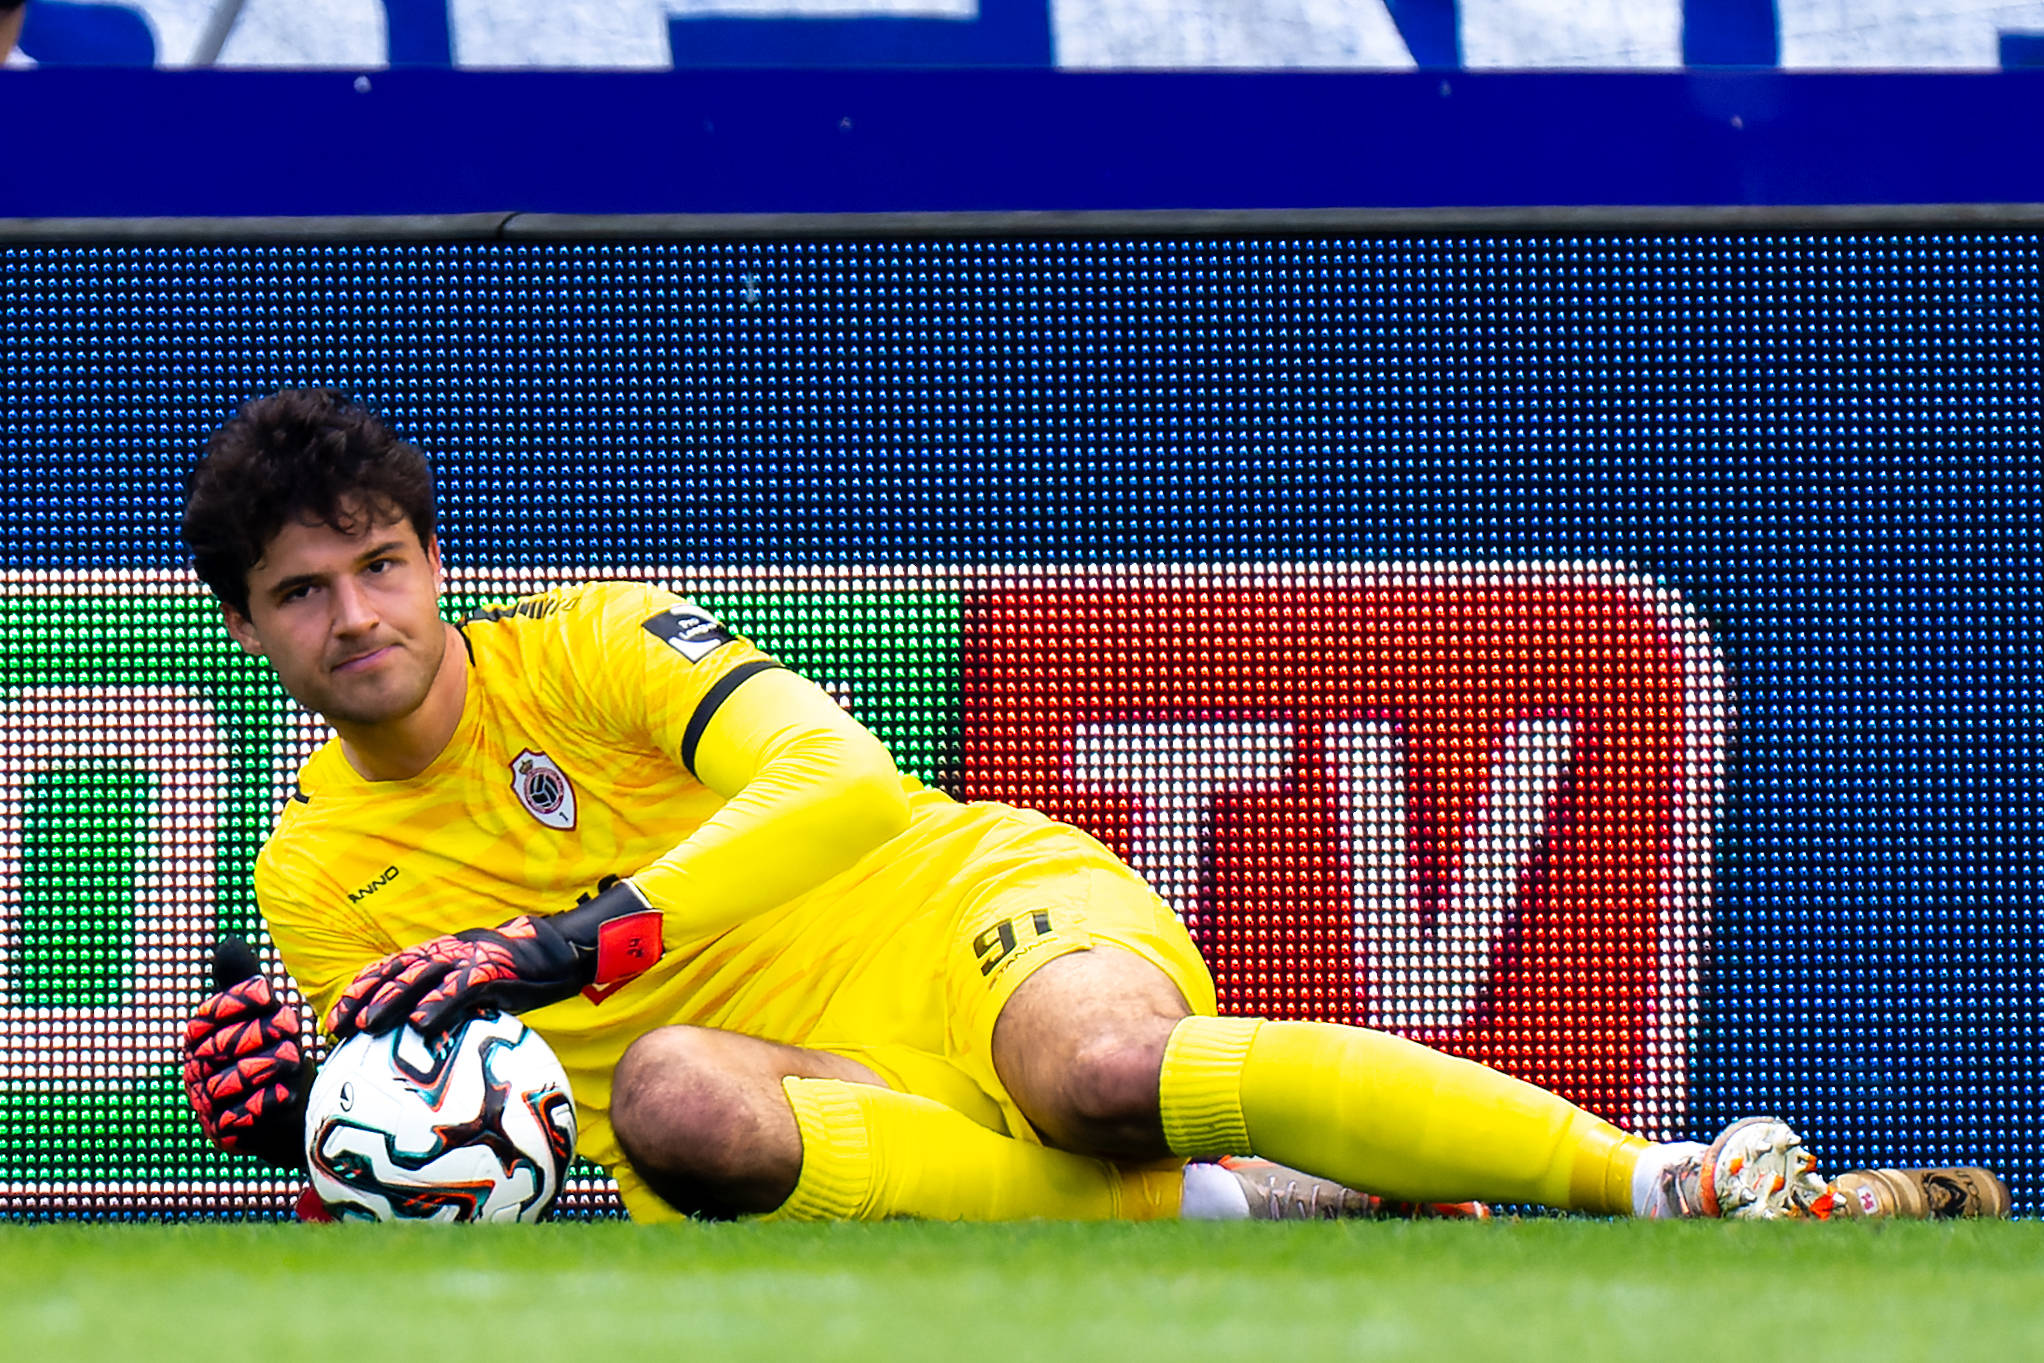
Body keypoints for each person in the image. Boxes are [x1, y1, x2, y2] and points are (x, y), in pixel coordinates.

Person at [178, 388, 1826, 1225]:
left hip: (952, 911)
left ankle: (1662, 1183)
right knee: (677, 1114)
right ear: (250, 631)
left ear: (433, 556)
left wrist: (581, 940)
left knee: (1106, 1074)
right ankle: (1247, 1212)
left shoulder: (596, 643)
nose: (360, 615)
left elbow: (842, 775)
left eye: (381, 562)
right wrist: (314, 1127)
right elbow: (484, 1161)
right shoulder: (315, 874)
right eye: (305, 591)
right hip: (790, 1092)